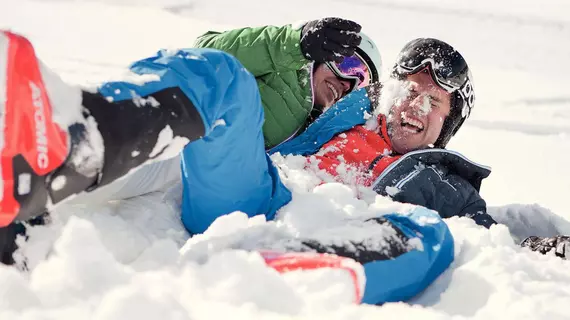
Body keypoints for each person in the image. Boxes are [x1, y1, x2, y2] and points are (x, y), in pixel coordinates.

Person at [0, 28, 566, 305]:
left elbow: (488, 235)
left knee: (432, 236)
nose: (416, 104)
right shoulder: (337, 111)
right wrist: (297, 46)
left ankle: (301, 283)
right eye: (410, 89)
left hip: (319, 227)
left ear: (449, 124)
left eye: (435, 100)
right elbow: (215, 48)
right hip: (257, 193)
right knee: (222, 75)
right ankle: (62, 148)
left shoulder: (443, 182)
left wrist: (541, 245)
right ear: (386, 92)